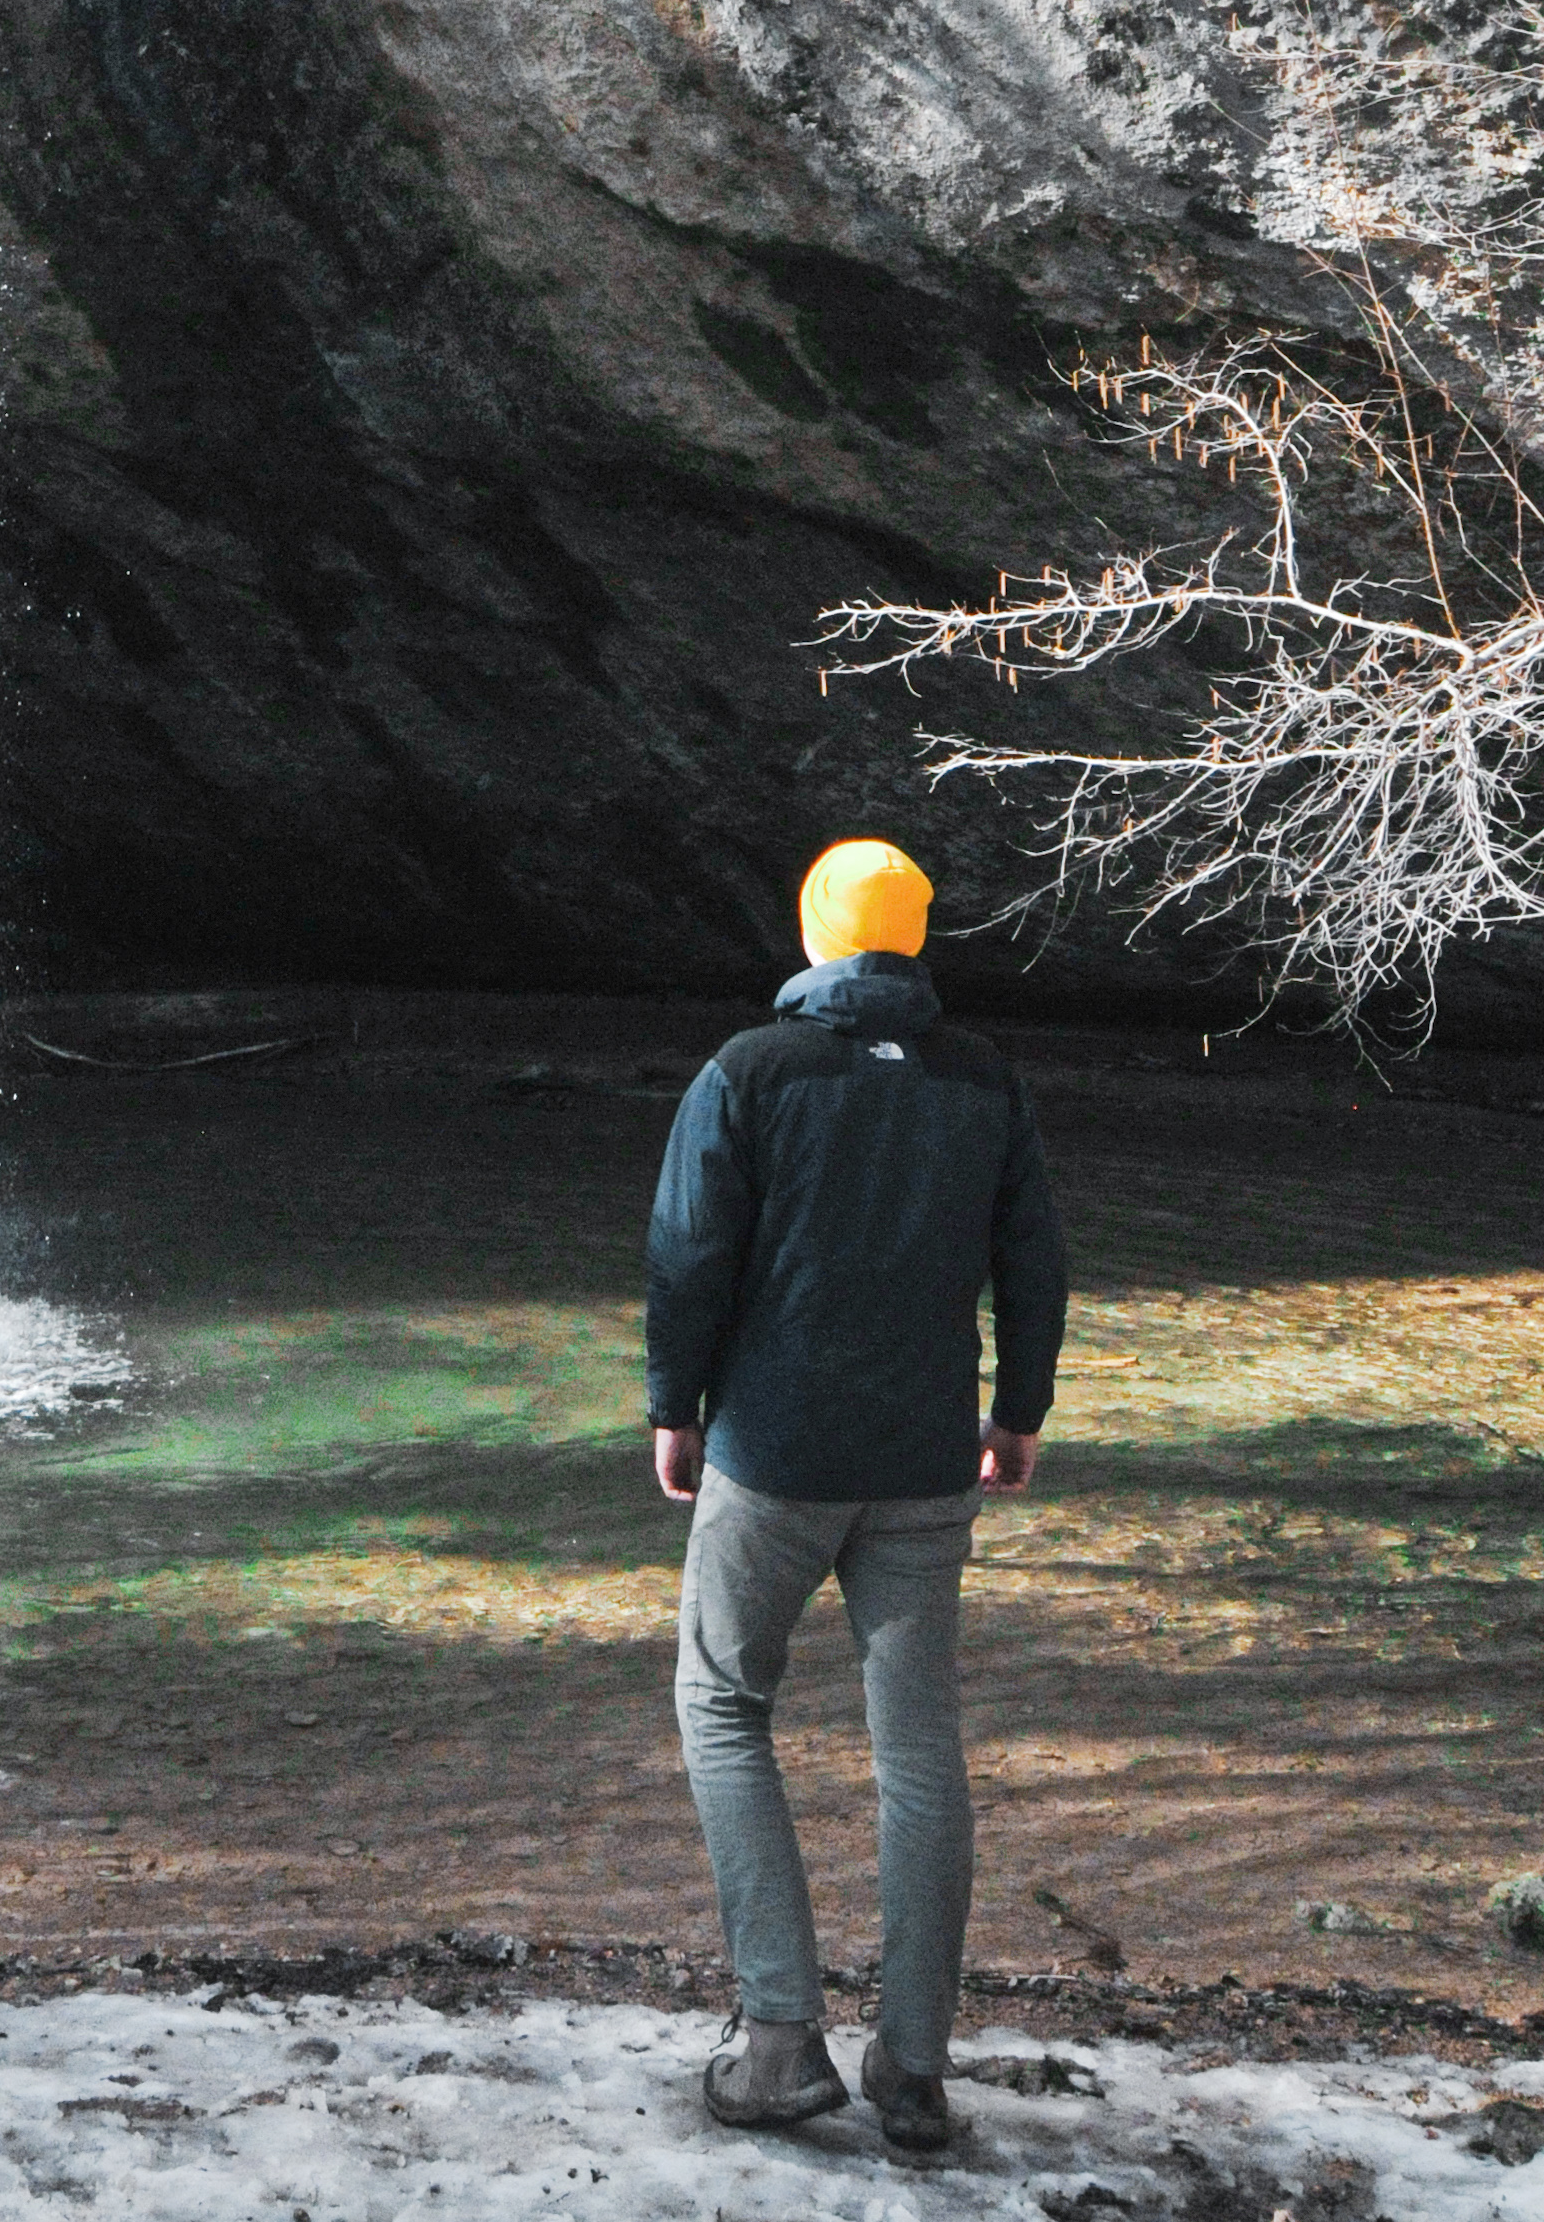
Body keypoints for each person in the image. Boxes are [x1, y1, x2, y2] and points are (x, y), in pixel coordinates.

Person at [644, 834, 1067, 2156]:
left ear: (815, 935)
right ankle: (916, 2069)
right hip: (924, 1463)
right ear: (917, 939)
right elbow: (1034, 1262)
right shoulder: (982, 1079)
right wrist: (1018, 1414)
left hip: (773, 1458)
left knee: (722, 1706)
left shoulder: (748, 1070)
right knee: (919, 1752)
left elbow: (688, 1255)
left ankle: (781, 2039)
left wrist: (673, 1405)